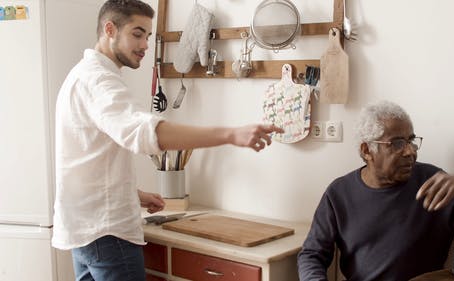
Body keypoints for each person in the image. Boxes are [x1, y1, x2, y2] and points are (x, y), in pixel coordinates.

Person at [51, 1, 283, 281]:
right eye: (137, 34)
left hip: (84, 231)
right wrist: (232, 134)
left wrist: (133, 195)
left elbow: (86, 159)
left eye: (148, 36)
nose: (145, 44)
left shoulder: (80, 75)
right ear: (109, 29)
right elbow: (148, 133)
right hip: (108, 234)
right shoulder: (100, 81)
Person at [297, 100, 454, 281]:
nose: (410, 151)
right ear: (367, 150)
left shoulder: (434, 182)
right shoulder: (339, 193)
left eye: (411, 140)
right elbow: (312, 254)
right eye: (398, 143)